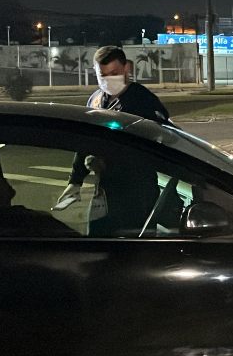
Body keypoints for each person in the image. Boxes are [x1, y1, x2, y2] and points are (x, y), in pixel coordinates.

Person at [54, 46, 167, 235]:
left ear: (126, 69)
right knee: (97, 242)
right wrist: (75, 180)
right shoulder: (96, 100)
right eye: (102, 75)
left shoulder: (142, 101)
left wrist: (108, 163)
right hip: (105, 191)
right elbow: (86, 139)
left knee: (132, 251)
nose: (108, 80)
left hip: (137, 193)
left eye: (113, 73)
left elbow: (151, 145)